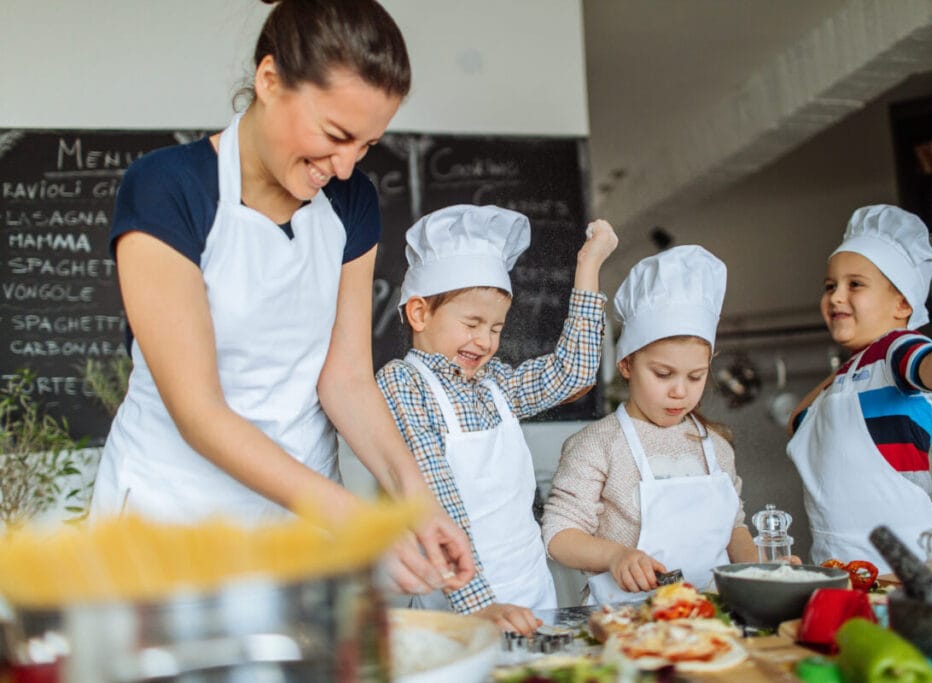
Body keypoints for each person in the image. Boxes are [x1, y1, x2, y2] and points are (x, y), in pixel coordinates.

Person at [89, 0, 475, 595]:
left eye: (367, 145)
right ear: (269, 81)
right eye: (335, 135)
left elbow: (345, 378)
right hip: (171, 521)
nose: (345, 166)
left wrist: (413, 497)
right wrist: (354, 519)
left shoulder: (351, 203)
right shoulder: (167, 188)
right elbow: (199, 412)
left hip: (300, 529)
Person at [376, 204, 618, 634]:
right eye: (472, 323)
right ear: (418, 314)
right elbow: (436, 499)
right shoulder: (403, 383)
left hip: (532, 597)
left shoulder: (495, 384)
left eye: (496, 328)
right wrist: (480, 605)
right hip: (457, 609)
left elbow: (574, 372)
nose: (486, 340)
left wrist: (589, 264)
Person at [787, 204, 932, 571]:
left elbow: (930, 369)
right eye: (829, 286)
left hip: (908, 563)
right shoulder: (851, 372)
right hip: (838, 563)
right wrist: (846, 365)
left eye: (855, 284)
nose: (836, 296)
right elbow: (798, 422)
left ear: (902, 303)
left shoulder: (896, 349)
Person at [543, 245, 758, 606]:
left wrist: (763, 571)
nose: (679, 391)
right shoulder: (597, 444)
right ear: (626, 364)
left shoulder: (716, 446)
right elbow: (559, 535)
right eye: (663, 374)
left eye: (695, 377)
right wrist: (615, 556)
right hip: (623, 618)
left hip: (714, 615)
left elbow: (734, 527)